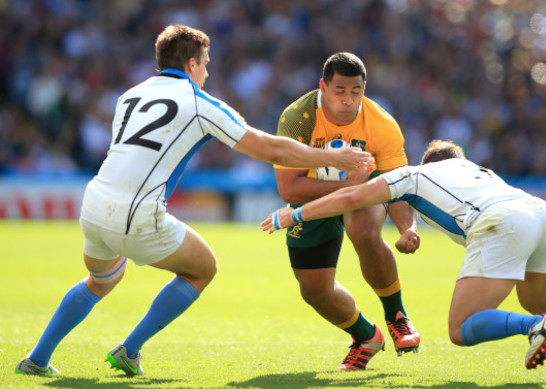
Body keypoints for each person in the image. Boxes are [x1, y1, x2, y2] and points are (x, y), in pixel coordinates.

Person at [14, 24, 372, 378]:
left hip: (94, 204)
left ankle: (37, 358)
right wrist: (331, 159)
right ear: (190, 64)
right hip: (136, 213)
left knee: (101, 279)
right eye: (205, 63)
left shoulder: (130, 95)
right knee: (203, 268)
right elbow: (269, 147)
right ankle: (130, 350)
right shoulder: (200, 103)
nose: (207, 72)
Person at [263, 139, 546, 384]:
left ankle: (533, 328)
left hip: (504, 222)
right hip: (543, 216)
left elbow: (352, 198)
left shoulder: (413, 174)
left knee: (461, 327)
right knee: (541, 301)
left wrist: (293, 216)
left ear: (429, 162)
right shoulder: (479, 171)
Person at [273, 52, 421, 371]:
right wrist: (348, 188)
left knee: (363, 229)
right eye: (340, 90)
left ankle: (397, 317)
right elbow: (289, 188)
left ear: (364, 89)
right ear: (322, 87)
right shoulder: (297, 117)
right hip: (315, 198)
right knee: (314, 291)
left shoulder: (382, 124)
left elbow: (398, 187)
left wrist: (408, 229)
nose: (348, 100)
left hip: (361, 197)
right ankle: (367, 337)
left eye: (356, 91)